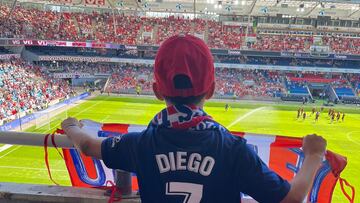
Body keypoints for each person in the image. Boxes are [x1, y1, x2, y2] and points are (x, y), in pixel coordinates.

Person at [61, 35, 327, 203]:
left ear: (156, 91)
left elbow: (87, 146)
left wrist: (71, 126)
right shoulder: (232, 150)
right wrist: (314, 156)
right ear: (211, 90)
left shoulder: (140, 144)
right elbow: (291, 199)